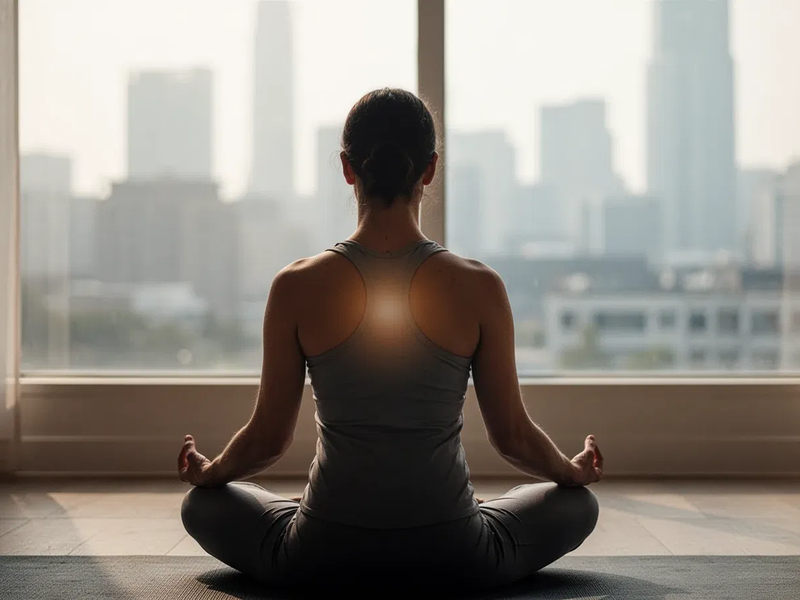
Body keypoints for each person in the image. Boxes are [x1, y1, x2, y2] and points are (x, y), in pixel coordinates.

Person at [178, 88, 601, 593]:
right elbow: (512, 437)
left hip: (320, 555)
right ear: (430, 169)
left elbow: (268, 440)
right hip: (455, 555)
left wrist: (212, 471)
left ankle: (324, 508)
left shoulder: (295, 285)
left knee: (202, 504)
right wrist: (569, 473)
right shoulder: (478, 286)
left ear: (346, 168)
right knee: (578, 504)